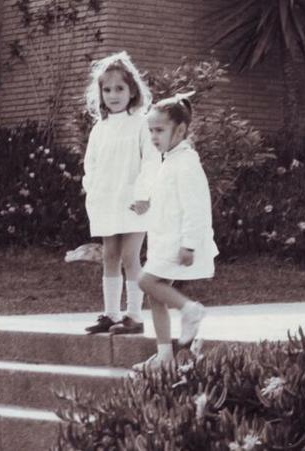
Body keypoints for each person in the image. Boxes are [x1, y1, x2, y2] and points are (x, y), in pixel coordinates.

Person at [135, 93, 218, 370]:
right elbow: (170, 201)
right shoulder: (169, 160)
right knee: (154, 294)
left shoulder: (186, 163)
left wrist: (190, 244)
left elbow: (196, 207)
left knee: (146, 281)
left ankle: (189, 309)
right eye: (151, 131)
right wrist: (146, 204)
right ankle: (165, 357)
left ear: (180, 130)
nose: (154, 136)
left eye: (159, 130)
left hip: (177, 241)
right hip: (163, 240)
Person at [81, 52, 161, 336]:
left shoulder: (141, 122)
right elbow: (90, 163)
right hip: (106, 200)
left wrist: (143, 194)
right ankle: (111, 314)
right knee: (110, 255)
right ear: (100, 94)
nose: (113, 95)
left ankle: (135, 316)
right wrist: (92, 189)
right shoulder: (100, 128)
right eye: (107, 89)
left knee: (130, 256)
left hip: (133, 201)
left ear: (132, 91)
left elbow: (151, 160)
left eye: (120, 88)